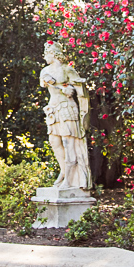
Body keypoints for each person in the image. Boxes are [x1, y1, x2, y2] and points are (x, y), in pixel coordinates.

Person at [39, 42, 93, 191]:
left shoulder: (67, 70)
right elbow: (46, 83)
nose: (45, 57)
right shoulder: (45, 71)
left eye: (47, 54)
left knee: (69, 144)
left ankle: (69, 180)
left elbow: (79, 89)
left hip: (67, 109)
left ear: (54, 54)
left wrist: (72, 89)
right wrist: (63, 88)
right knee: (54, 142)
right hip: (53, 109)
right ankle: (64, 170)